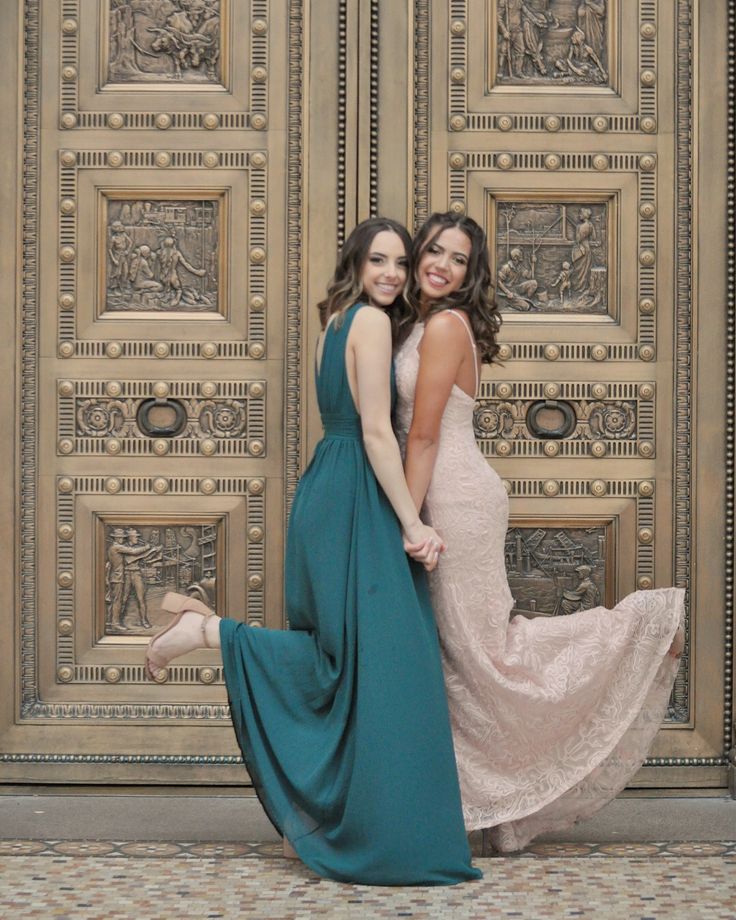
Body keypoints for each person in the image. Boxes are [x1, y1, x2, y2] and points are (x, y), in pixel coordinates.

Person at [144, 217, 481, 886]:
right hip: (358, 490)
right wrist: (412, 524)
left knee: (345, 661)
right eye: (378, 260)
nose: (391, 272)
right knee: (380, 665)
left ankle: (209, 633)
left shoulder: (337, 321)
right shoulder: (374, 324)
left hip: (328, 486)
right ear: (356, 263)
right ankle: (209, 630)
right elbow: (381, 436)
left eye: (398, 262)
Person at [394, 211, 685, 853]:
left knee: (483, 653)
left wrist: (408, 522)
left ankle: (640, 629)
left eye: (458, 258)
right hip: (442, 491)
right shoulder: (416, 322)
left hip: (452, 498)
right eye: (434, 251)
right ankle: (480, 803)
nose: (441, 264)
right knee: (456, 659)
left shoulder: (445, 325)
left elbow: (422, 434)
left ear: (473, 274)